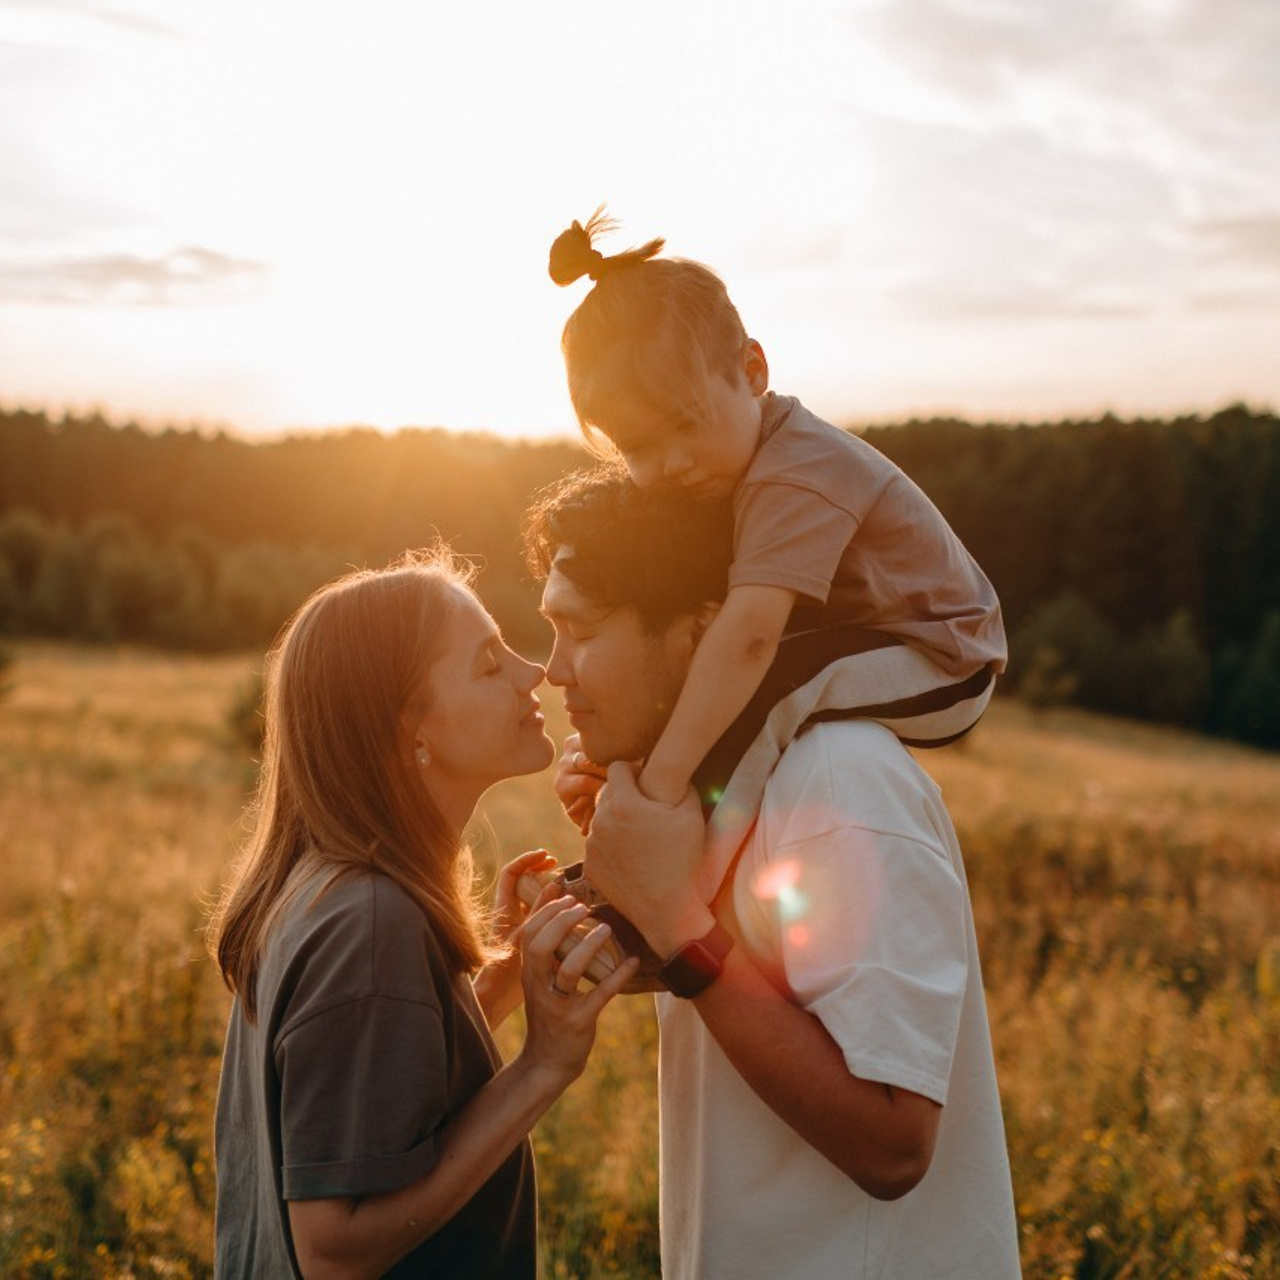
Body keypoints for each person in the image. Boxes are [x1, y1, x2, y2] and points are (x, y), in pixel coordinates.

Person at [524, 469, 1021, 1280]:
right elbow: (764, 991)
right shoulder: (725, 796)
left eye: (580, 629)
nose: (553, 669)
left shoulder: (840, 785)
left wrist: (678, 925)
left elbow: (894, 1145)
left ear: (702, 630)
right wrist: (622, 892)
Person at [208, 548, 638, 1279]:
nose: (532, 673)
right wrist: (542, 1066)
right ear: (411, 730)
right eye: (487, 663)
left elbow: (375, 1106)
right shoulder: (369, 923)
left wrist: (495, 986)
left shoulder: (332, 892)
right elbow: (334, 1251)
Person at [547, 210, 1006, 809]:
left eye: (686, 424)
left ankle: (671, 832)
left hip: (943, 659)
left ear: (753, 371)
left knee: (775, 682)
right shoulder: (724, 471)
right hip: (859, 638)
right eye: (638, 447)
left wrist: (659, 787)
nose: (672, 463)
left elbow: (748, 640)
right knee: (752, 681)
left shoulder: (798, 471)